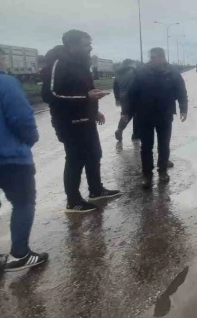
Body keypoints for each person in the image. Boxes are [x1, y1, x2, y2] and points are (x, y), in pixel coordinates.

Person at [0, 42, 48, 276]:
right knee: (23, 203)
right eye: (3, 58)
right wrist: (30, 140)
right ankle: (20, 254)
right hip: (10, 159)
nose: (5, 62)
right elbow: (22, 118)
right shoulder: (4, 82)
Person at [41, 30, 122, 213]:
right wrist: (85, 97)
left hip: (86, 118)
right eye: (86, 45)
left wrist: (95, 110)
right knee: (75, 159)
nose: (90, 48)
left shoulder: (82, 63)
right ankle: (73, 201)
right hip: (68, 121)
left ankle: (96, 190)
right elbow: (49, 94)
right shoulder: (58, 62)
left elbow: (86, 91)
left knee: (94, 154)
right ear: (72, 45)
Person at [122, 48, 188, 188]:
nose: (151, 60)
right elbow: (131, 93)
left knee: (164, 145)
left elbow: (181, 90)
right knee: (146, 147)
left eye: (154, 57)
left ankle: (162, 171)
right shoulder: (141, 72)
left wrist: (183, 109)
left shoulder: (172, 72)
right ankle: (147, 174)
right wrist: (126, 111)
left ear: (162, 57)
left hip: (165, 114)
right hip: (144, 115)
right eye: (150, 57)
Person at [113, 59, 139, 142]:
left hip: (122, 96)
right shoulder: (134, 71)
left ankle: (119, 130)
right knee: (136, 115)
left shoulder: (118, 73)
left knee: (125, 114)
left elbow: (115, 87)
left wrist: (117, 98)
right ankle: (135, 135)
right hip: (133, 96)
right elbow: (138, 84)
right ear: (130, 64)